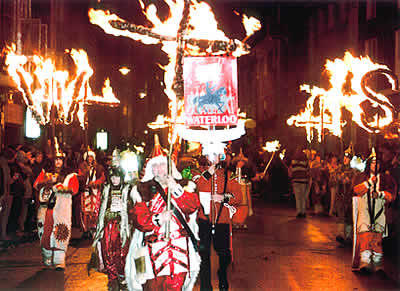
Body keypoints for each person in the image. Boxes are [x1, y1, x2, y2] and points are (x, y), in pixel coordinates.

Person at [125, 138, 200, 291]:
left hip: (179, 249)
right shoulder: (142, 190)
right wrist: (158, 219)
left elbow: (192, 206)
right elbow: (138, 219)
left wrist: (177, 190)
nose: (159, 169)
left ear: (169, 166)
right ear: (151, 169)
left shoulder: (184, 185)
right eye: (156, 165)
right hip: (153, 250)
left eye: (162, 165)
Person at [196, 150, 243, 291]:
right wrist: (208, 172)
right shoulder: (201, 174)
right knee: (204, 255)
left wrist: (223, 197)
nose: (214, 158)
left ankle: (222, 275)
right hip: (204, 219)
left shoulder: (229, 176)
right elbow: (197, 187)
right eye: (211, 155)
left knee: (224, 254)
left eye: (216, 155)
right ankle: (205, 286)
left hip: (222, 220)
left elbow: (239, 197)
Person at [33, 142, 79, 270]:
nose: (57, 162)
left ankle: (59, 258)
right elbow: (36, 185)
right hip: (46, 209)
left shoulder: (70, 175)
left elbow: (74, 189)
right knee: (44, 233)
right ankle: (47, 256)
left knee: (61, 232)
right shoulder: (45, 172)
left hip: (61, 210)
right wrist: (47, 182)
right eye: (56, 159)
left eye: (60, 159)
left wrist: (62, 188)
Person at [352, 148, 396, 275]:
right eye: (372, 163)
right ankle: (364, 264)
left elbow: (391, 196)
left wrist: (381, 194)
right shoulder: (361, 177)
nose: (374, 165)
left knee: (377, 239)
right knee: (365, 237)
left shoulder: (386, 179)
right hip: (365, 210)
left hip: (379, 211)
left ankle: (377, 265)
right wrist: (369, 183)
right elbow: (356, 190)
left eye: (377, 163)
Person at [91, 166, 133, 291]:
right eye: (113, 177)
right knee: (107, 251)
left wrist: (126, 215)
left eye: (117, 177)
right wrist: (97, 224)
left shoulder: (127, 190)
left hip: (122, 227)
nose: (115, 180)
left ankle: (122, 276)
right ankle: (112, 278)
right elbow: (99, 207)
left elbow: (132, 208)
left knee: (121, 252)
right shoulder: (105, 190)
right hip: (107, 226)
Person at [78, 149, 106, 238]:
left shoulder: (99, 167)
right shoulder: (82, 167)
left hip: (95, 191)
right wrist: (86, 171)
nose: (90, 159)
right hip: (86, 191)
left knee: (94, 210)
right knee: (85, 211)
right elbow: (79, 177)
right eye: (88, 157)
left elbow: (102, 178)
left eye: (91, 157)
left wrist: (96, 183)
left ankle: (94, 228)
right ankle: (86, 230)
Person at [335, 147, 357, 246]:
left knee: (348, 215)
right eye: (344, 157)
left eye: (347, 158)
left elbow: (353, 182)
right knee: (341, 215)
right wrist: (339, 178)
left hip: (349, 195)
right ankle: (340, 234)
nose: (345, 159)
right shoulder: (339, 168)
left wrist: (348, 180)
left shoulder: (353, 171)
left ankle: (348, 237)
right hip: (340, 194)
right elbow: (334, 179)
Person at [289, 148, 311, 218]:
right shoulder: (305, 160)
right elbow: (308, 170)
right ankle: (303, 212)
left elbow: (291, 170)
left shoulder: (293, 161)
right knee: (303, 197)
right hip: (304, 181)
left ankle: (299, 212)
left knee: (298, 197)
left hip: (296, 180)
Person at [0, 147, 15, 241]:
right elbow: (6, 181)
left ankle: (3, 234)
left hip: (5, 193)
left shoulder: (5, 166)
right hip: (3, 194)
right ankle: (3, 234)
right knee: (4, 215)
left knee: (4, 215)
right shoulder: (4, 166)